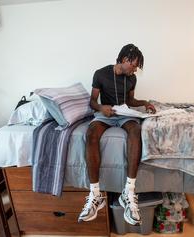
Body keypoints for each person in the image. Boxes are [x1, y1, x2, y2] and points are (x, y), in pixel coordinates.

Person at [78, 44, 156, 225]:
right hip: (106, 114)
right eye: (134, 65)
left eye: (137, 67)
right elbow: (92, 101)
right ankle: (95, 194)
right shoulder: (100, 74)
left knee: (136, 130)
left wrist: (144, 103)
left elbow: (130, 100)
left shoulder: (132, 79)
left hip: (123, 115)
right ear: (124, 60)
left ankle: (128, 192)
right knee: (90, 134)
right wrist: (101, 108)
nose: (135, 69)